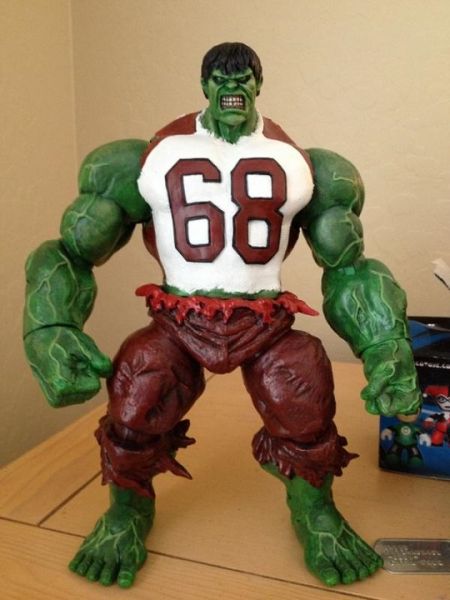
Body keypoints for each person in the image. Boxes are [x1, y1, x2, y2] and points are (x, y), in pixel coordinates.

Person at [24, 42, 421, 588]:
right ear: (204, 84)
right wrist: (49, 326)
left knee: (304, 392)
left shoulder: (311, 168)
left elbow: (350, 267)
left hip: (266, 319)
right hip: (177, 318)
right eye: (220, 76)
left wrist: (384, 344)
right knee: (137, 394)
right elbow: (72, 250)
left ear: (259, 84)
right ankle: (126, 514)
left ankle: (315, 513)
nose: (231, 86)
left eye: (242, 77)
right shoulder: (145, 160)